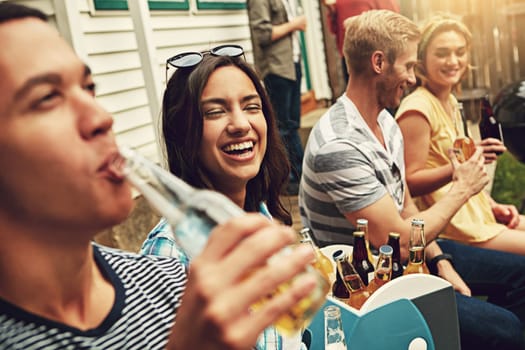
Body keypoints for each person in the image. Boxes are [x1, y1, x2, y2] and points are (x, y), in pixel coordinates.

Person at [0, 3, 319, 349]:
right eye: (48, 98)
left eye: (89, 88)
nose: (102, 117)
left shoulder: (159, 281)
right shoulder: (173, 258)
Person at [299, 9, 525, 350]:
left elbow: (406, 208)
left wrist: (440, 262)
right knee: (505, 331)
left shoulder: (385, 123)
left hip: (408, 260)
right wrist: (462, 187)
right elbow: (400, 240)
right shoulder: (339, 145)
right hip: (367, 289)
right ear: (379, 63)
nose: (412, 77)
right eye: (408, 65)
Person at [141, 48, 306, 349]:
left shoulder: (258, 216)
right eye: (215, 112)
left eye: (251, 106)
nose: (240, 124)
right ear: (183, 132)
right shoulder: (171, 254)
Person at [395, 15, 525, 255]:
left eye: (460, 52)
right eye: (442, 53)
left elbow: (452, 160)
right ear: (421, 59)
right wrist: (459, 169)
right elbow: (407, 184)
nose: (453, 61)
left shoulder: (451, 102)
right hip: (453, 228)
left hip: (475, 215)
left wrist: (493, 206)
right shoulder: (417, 109)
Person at [247, 0, 306, 195]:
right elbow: (262, 34)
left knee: (292, 124)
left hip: (292, 64)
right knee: (281, 126)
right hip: (276, 67)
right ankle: (286, 180)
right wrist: (294, 25)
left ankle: (301, 176)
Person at [323, 0, 400, 82]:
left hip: (375, 53)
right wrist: (331, 11)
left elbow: (393, 23)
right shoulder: (338, 2)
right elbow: (334, 29)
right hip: (350, 56)